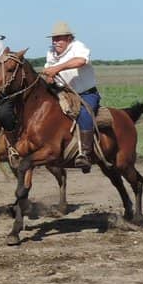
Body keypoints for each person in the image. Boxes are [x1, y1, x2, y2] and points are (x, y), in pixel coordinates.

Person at [41, 21, 98, 171]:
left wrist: (57, 68)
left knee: (85, 114)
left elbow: (81, 61)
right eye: (54, 38)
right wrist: (49, 77)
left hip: (85, 93)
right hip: (63, 93)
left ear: (69, 38)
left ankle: (85, 153)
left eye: (59, 38)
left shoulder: (78, 47)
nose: (55, 41)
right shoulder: (51, 52)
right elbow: (49, 69)